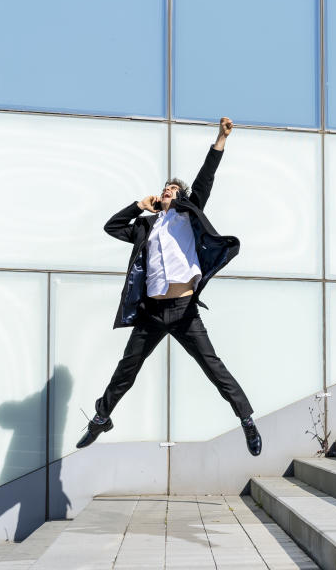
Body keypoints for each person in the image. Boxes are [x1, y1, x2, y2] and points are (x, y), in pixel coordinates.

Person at [76, 117, 261, 456]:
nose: (167, 190)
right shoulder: (145, 226)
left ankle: (247, 420)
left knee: (213, 366)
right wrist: (137, 206)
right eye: (164, 188)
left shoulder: (189, 215)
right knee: (126, 370)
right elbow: (111, 227)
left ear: (183, 196)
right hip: (152, 312)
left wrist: (220, 138)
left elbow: (206, 175)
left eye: (173, 189)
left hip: (184, 310)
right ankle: (102, 417)